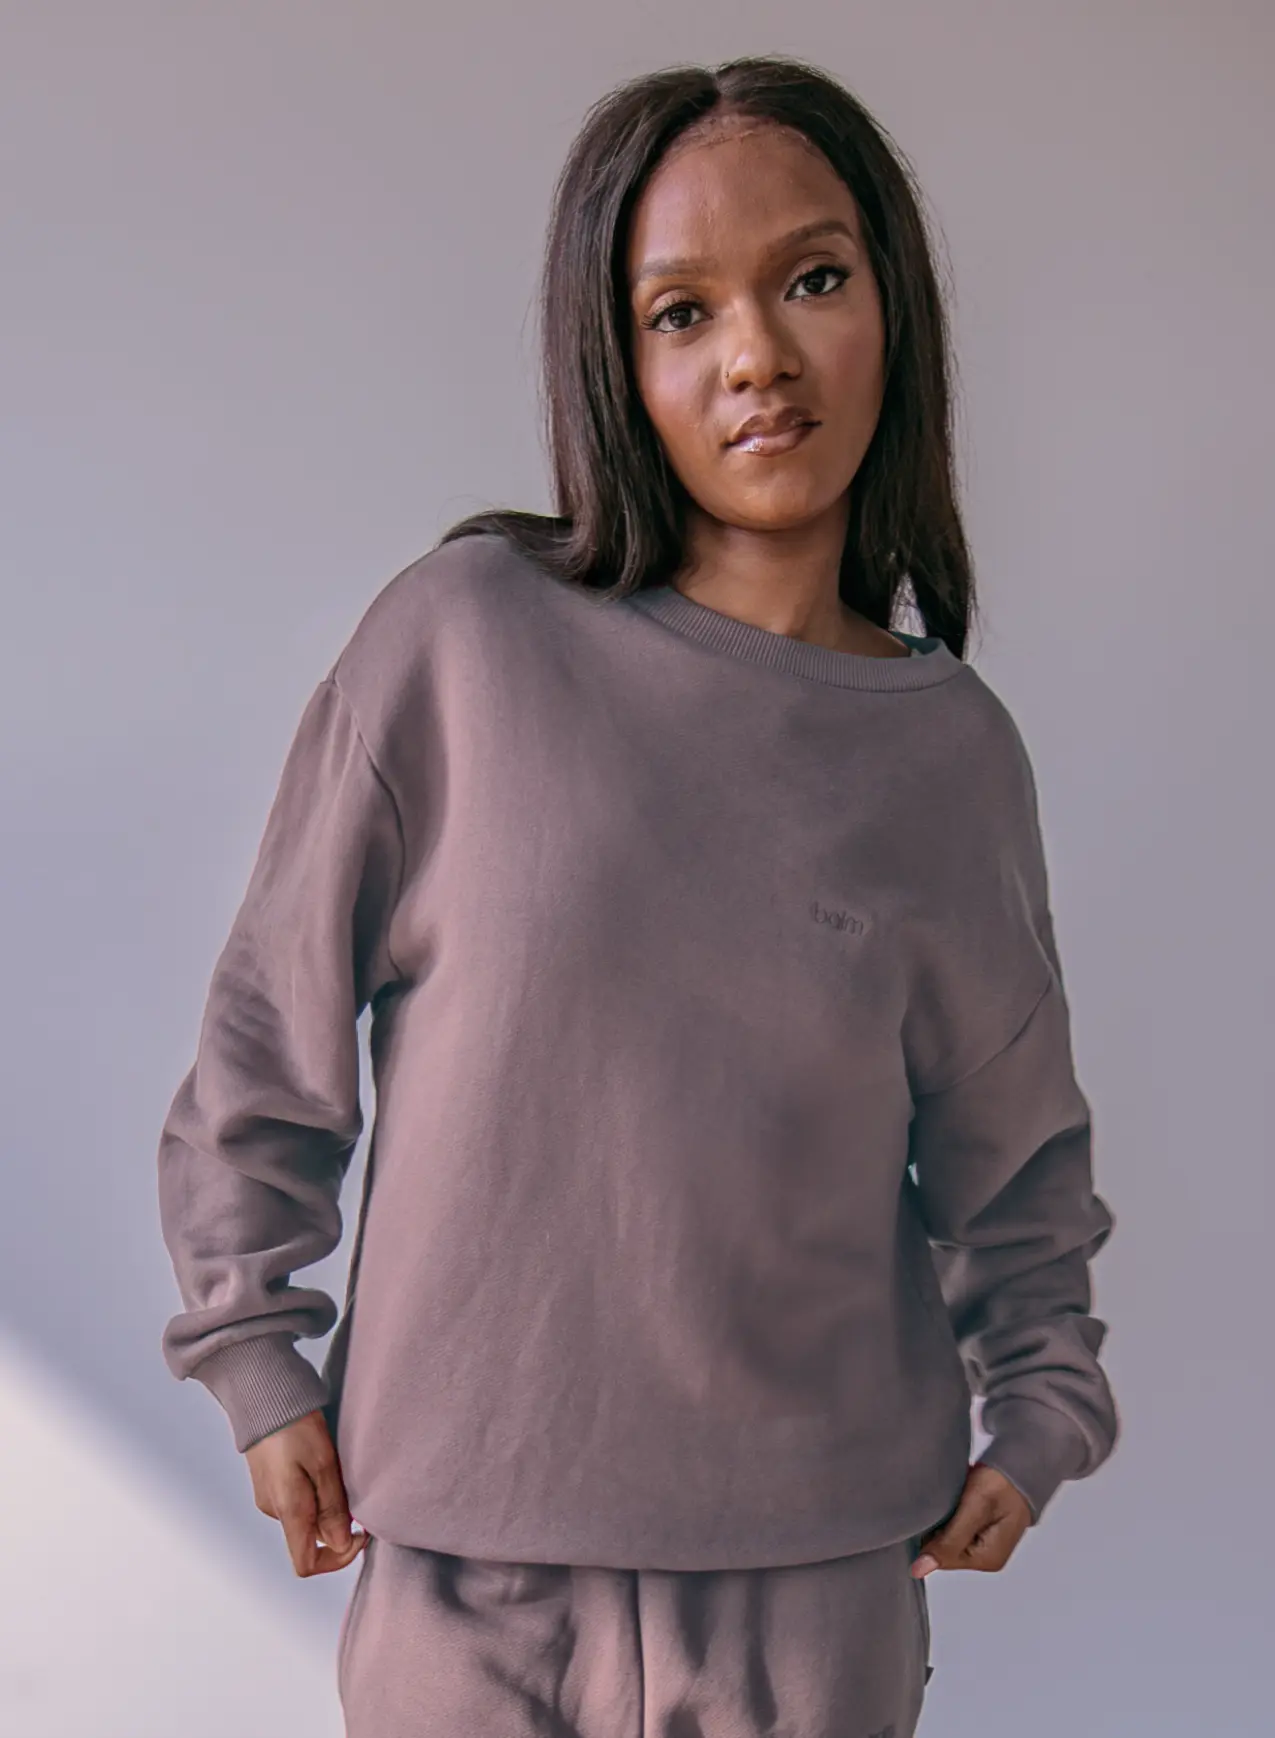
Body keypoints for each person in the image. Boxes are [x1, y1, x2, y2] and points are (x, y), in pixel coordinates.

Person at [156, 54, 1119, 1738]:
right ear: (616, 359)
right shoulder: (462, 639)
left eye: (811, 279)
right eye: (681, 312)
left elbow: (1010, 1142)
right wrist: (252, 1348)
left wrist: (1041, 1403)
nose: (756, 354)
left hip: (817, 1589)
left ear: (890, 306)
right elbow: (267, 1027)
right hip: (460, 1570)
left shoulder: (948, 753)